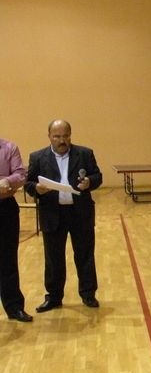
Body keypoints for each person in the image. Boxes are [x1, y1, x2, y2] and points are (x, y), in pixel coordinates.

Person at [25, 120, 102, 311]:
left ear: (70, 135)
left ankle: (88, 294)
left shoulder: (84, 154)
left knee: (85, 255)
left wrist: (89, 182)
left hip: (80, 213)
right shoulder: (37, 157)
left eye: (65, 136)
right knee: (53, 259)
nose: (62, 140)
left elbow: (97, 176)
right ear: (49, 136)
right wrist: (37, 189)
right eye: (57, 136)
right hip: (52, 214)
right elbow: (28, 183)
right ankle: (53, 297)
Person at [0, 137, 33, 322]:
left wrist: (6, 181)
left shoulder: (9, 148)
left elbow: (20, 175)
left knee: (8, 260)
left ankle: (14, 307)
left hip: (5, 209)